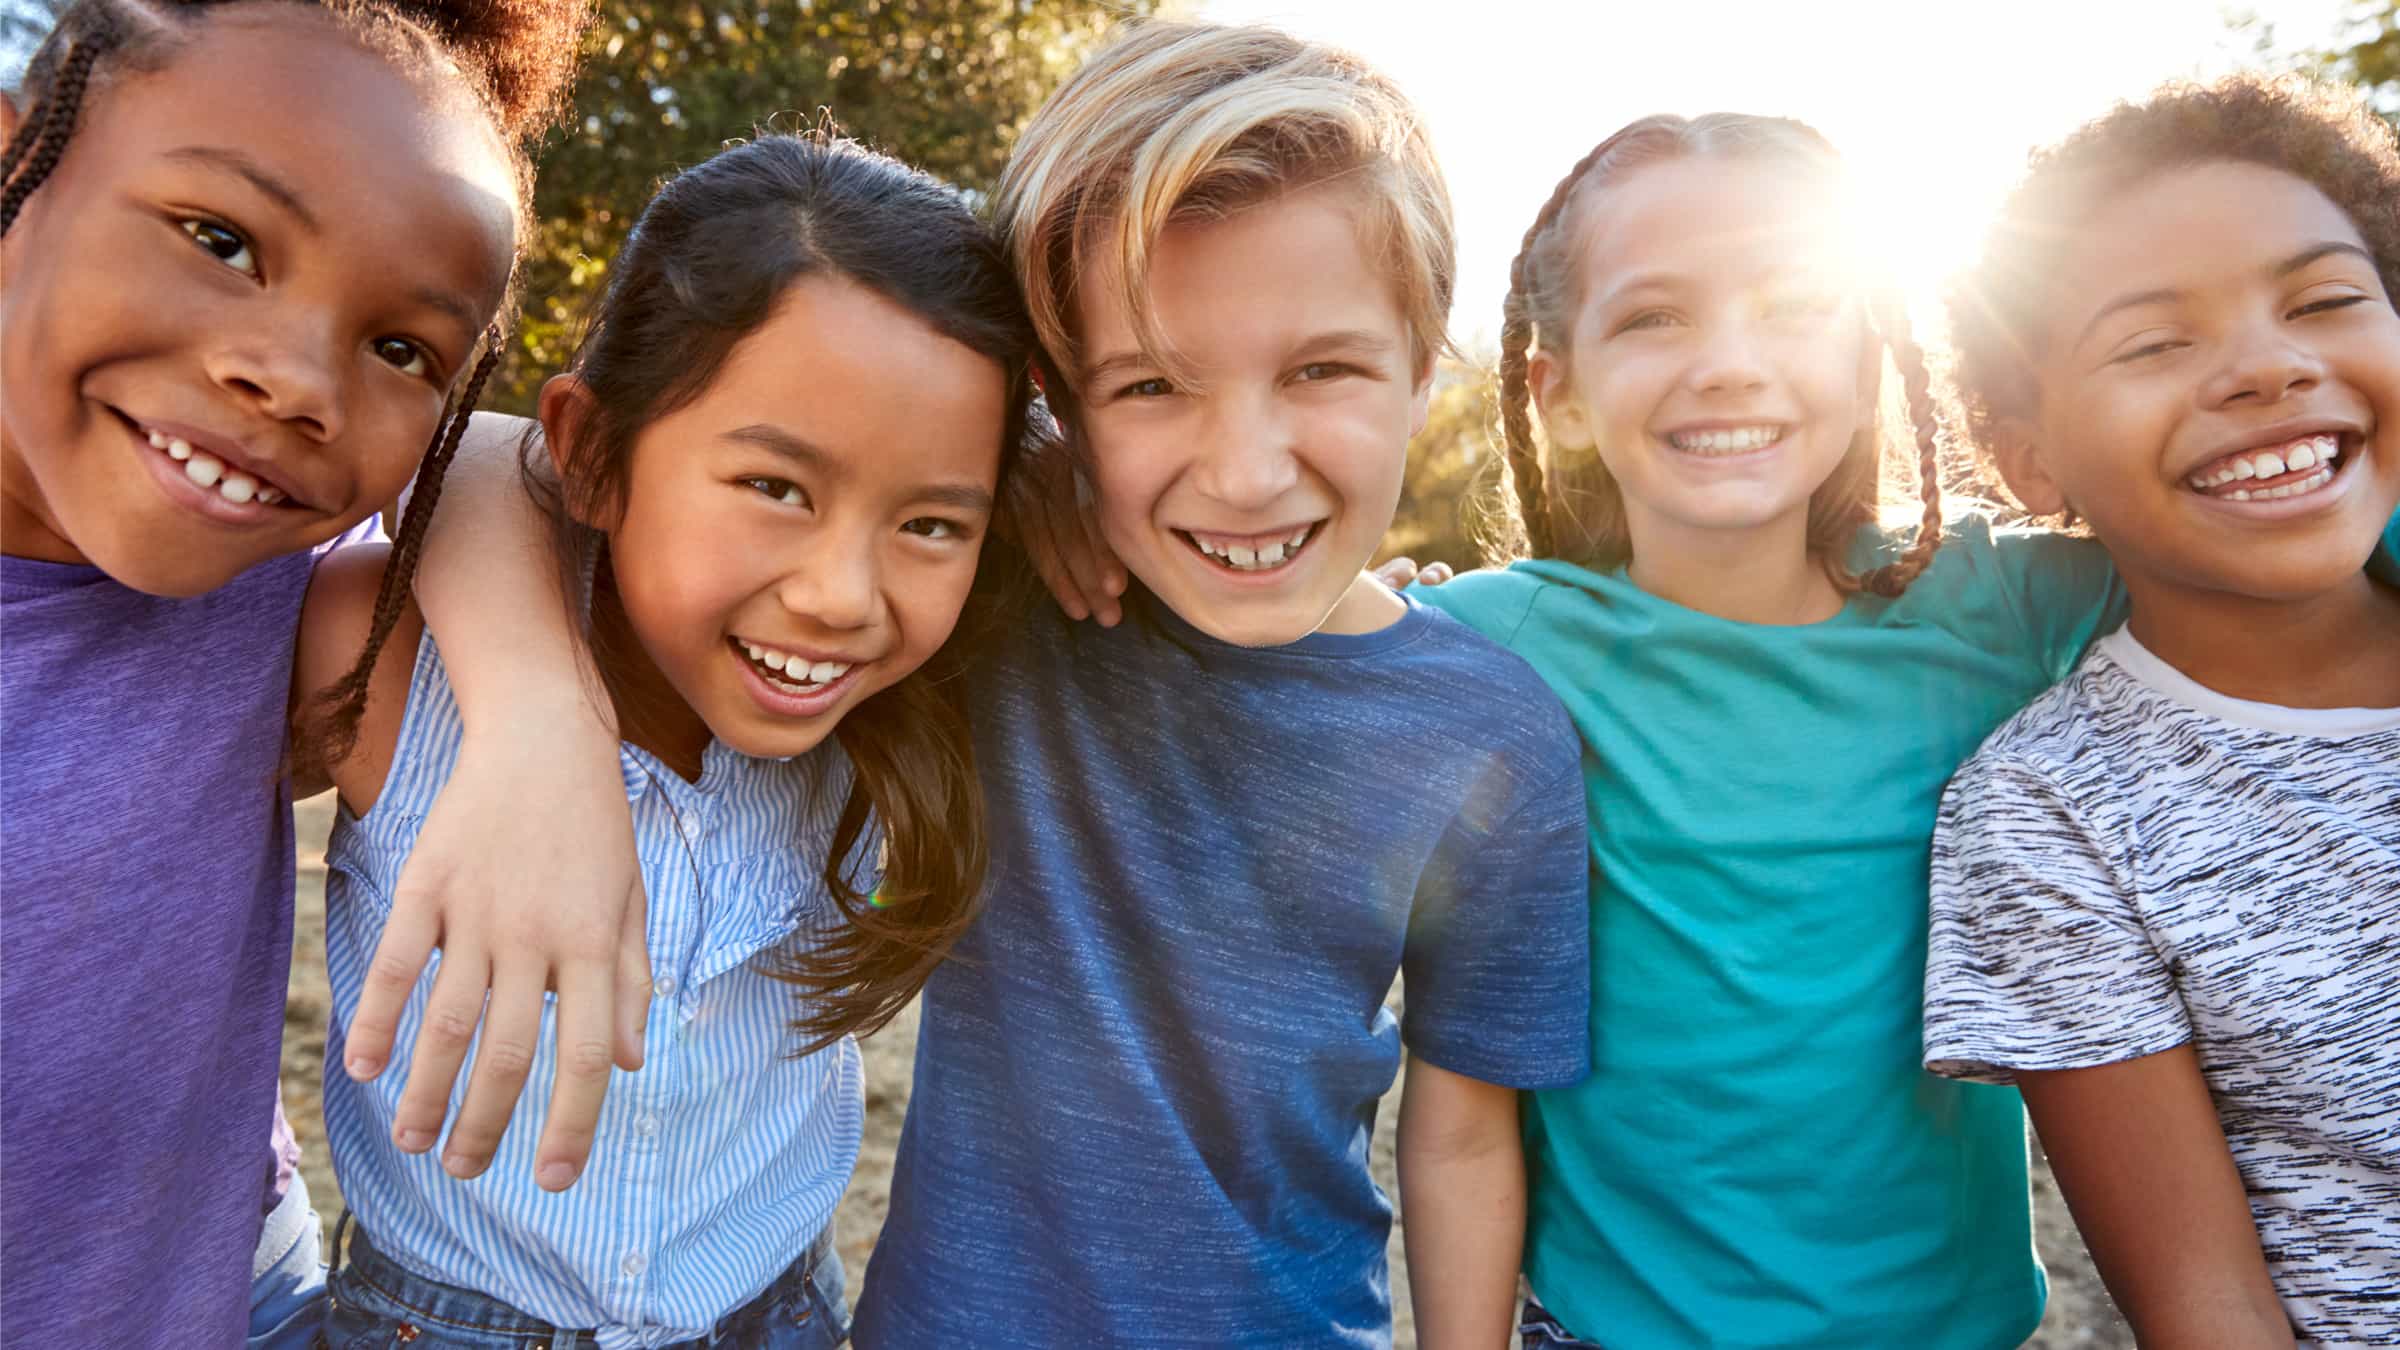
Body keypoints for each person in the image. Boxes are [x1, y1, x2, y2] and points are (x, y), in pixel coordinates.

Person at [847, 21, 1591, 1348]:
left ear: (1427, 367)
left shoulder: (1491, 730)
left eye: (1321, 369)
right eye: (1149, 384)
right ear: (1060, 401)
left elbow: (1465, 1130)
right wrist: (1005, 456)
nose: (1245, 470)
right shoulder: (985, 593)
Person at [302, 131, 1038, 1348]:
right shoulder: (388, 661)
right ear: (596, 453)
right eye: (776, 489)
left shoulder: (915, 705)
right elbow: (461, 447)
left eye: (928, 522)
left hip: (782, 1316)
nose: (844, 594)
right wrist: (541, 722)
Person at [0, 1, 640, 1343]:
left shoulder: (264, 575)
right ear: (20, 153)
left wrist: (542, 724)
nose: (297, 383)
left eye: (402, 348)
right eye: (223, 241)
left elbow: (489, 465)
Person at [1925, 74, 2400, 1349]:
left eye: (2324, 299)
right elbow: (2209, 1312)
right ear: (2031, 459)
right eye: (2153, 342)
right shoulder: (2048, 812)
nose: (2268, 365)